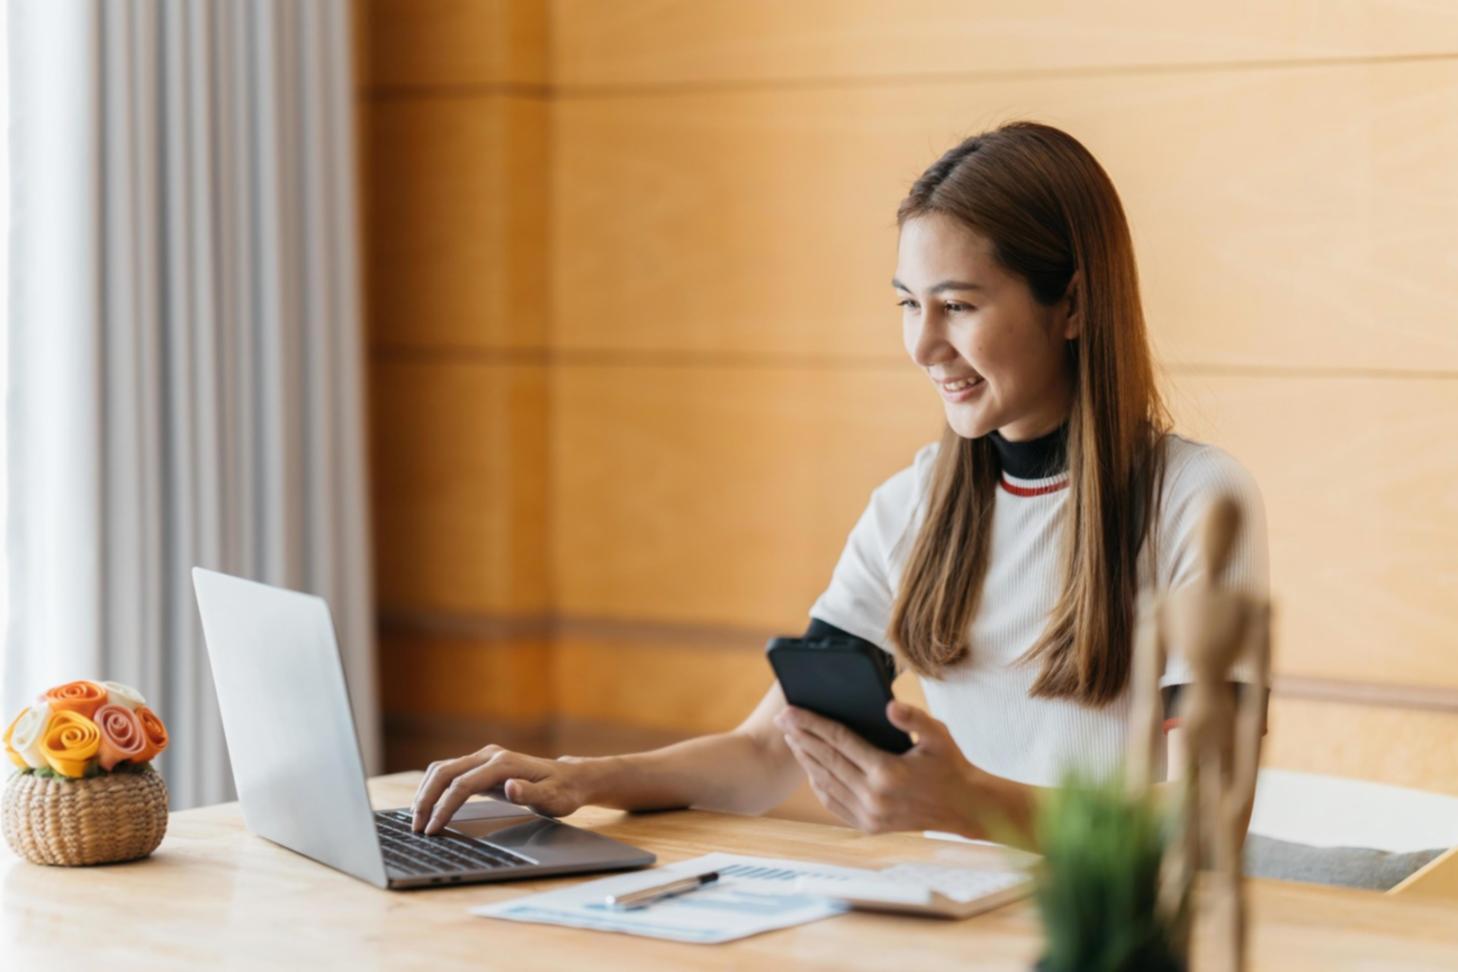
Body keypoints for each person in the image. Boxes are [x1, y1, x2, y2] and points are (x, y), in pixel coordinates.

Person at [410, 120, 1268, 848]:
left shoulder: (1197, 504)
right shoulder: (917, 507)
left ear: (1073, 306)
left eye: (958, 306)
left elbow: (1206, 820)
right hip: (946, 934)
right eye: (907, 304)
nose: (923, 346)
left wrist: (973, 804)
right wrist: (575, 778)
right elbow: (763, 754)